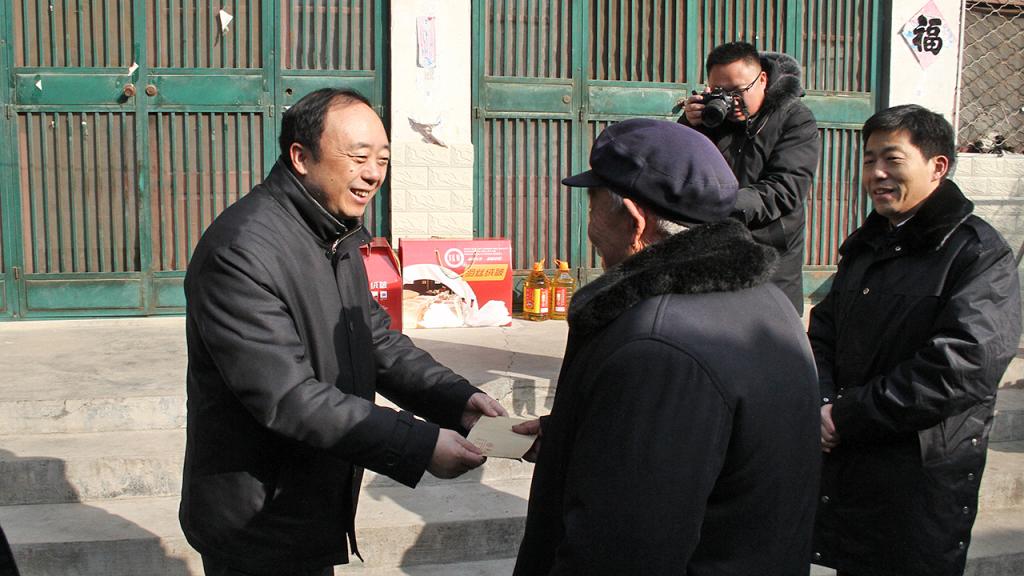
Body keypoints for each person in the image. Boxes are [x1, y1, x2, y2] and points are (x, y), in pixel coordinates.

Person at [179, 88, 506, 576]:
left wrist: (458, 401)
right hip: (255, 519)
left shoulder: (337, 235)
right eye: (358, 157)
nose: (373, 173)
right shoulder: (240, 252)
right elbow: (288, 397)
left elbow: (375, 340)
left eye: (383, 159)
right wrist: (417, 445)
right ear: (301, 157)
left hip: (309, 500)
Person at [513, 118, 821, 575]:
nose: (590, 225)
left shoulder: (657, 346)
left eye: (593, 205)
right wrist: (580, 433)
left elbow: (622, 550)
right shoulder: (769, 302)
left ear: (635, 221)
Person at [809, 105, 1022, 576]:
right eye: (869, 160)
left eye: (892, 159)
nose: (876, 174)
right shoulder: (867, 245)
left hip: (920, 474)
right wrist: (823, 402)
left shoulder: (977, 253)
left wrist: (845, 415)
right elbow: (823, 332)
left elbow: (963, 365)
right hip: (853, 467)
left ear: (937, 166)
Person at [678, 41, 820, 314]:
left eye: (738, 91)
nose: (730, 101)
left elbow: (785, 189)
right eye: (720, 92)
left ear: (762, 79)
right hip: (715, 250)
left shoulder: (795, 118)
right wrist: (689, 125)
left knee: (769, 329)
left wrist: (719, 205)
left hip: (771, 255)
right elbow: (680, 171)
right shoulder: (712, 118)